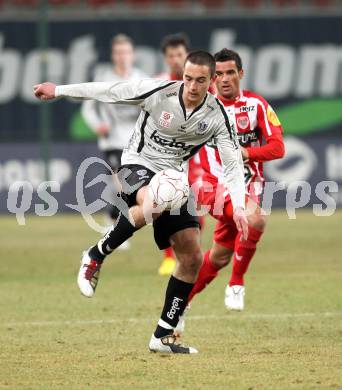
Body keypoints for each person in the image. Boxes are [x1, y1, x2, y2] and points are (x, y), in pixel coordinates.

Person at [34, 50, 248, 354]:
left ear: (211, 80)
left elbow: (232, 165)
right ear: (182, 76)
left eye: (200, 80)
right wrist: (60, 90)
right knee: (155, 199)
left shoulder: (216, 116)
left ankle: (162, 335)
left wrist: (238, 204)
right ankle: (96, 254)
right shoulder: (159, 92)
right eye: (187, 78)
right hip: (136, 164)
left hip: (173, 177)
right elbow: (107, 91)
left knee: (191, 256)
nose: (192, 86)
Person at [175, 48, 285, 336]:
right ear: (211, 78)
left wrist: (246, 152)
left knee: (220, 255)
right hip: (213, 185)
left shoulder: (257, 105)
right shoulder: (201, 107)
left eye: (230, 73)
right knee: (256, 220)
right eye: (219, 74)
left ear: (241, 74)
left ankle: (179, 305)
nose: (224, 80)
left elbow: (278, 147)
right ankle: (237, 283)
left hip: (250, 187)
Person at [82, 34, 146, 247]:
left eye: (126, 52)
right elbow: (88, 108)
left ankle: (112, 219)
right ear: (113, 55)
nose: (122, 56)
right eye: (118, 52)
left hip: (136, 141)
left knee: (131, 187)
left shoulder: (141, 78)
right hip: (112, 141)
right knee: (122, 183)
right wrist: (97, 125)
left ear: (132, 54)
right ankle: (117, 226)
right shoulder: (103, 77)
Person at [157, 33, 206, 276]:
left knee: (196, 202)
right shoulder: (160, 85)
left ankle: (190, 252)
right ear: (166, 59)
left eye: (180, 54)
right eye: (171, 56)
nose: (176, 60)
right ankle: (170, 257)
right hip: (166, 155)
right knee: (165, 203)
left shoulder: (204, 85)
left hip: (197, 153)